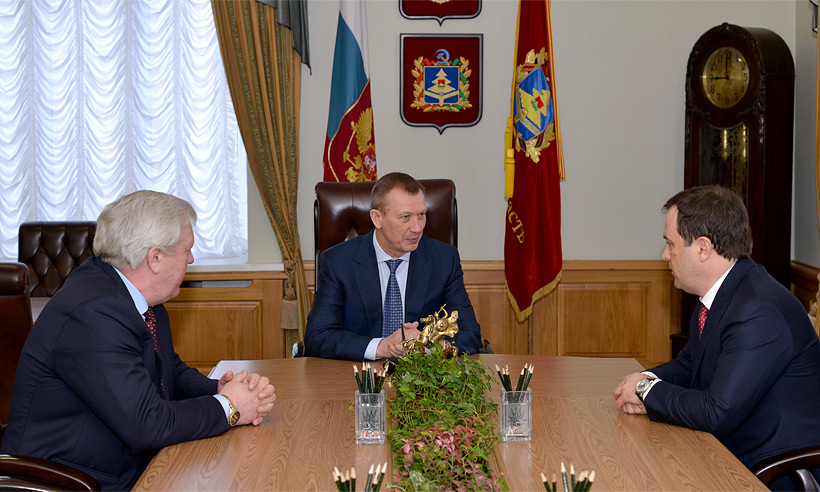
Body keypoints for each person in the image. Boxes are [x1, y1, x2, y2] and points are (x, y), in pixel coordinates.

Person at [0, 191, 276, 491]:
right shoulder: (95, 313)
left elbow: (168, 370)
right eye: (187, 250)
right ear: (155, 258)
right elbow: (148, 425)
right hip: (70, 479)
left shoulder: (138, 296)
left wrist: (218, 389)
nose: (191, 259)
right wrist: (229, 407)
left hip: (123, 465)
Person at [614, 185, 820, 474]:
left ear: (703, 248)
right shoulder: (721, 294)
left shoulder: (758, 310)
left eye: (671, 244)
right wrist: (644, 380)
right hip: (725, 454)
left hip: (771, 471)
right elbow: (689, 365)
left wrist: (645, 390)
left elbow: (717, 412)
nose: (664, 255)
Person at [304, 172, 481, 361]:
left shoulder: (444, 260)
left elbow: (469, 334)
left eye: (421, 215)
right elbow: (318, 337)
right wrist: (382, 347)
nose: (417, 228)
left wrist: (425, 346)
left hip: (422, 374)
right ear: (377, 218)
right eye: (405, 217)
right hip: (359, 373)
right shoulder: (339, 262)